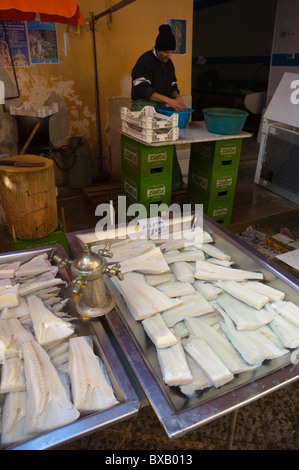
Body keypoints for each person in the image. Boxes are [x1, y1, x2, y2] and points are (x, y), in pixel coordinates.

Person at [131, 24, 185, 189]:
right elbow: (142, 88)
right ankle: (146, 185)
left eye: (171, 52)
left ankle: (173, 184)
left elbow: (172, 85)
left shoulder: (169, 64)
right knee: (148, 149)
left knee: (168, 144)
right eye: (166, 52)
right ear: (158, 49)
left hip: (161, 111)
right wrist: (169, 101)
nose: (169, 55)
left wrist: (176, 97)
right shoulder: (145, 60)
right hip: (143, 110)